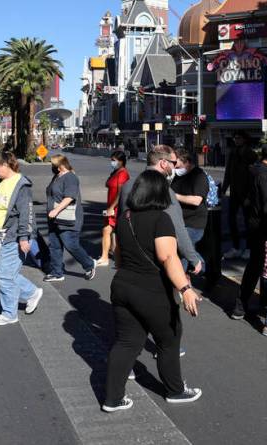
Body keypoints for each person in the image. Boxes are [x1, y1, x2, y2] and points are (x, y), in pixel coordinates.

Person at [102, 170, 202, 412]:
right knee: (169, 340)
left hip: (123, 285)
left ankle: (113, 399)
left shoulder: (125, 216)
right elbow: (168, 257)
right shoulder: (161, 219)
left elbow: (119, 255)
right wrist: (185, 288)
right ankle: (175, 390)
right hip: (152, 289)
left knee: (127, 342)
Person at [118, 145, 201, 278]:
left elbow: (121, 221)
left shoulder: (128, 185)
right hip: (154, 261)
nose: (175, 167)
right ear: (163, 163)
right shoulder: (165, 190)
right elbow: (177, 228)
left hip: (129, 259)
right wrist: (193, 258)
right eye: (173, 163)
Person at [0, 151, 42, 326]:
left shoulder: (21, 185)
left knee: (4, 276)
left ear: (5, 165)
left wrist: (24, 237)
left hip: (14, 236)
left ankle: (9, 314)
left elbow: (26, 213)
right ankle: (31, 292)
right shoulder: (2, 183)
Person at [231, 143, 267, 320]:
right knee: (265, 265)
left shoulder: (253, 170)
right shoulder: (265, 175)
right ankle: (252, 303)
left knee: (257, 264)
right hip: (265, 226)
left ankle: (246, 303)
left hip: (253, 222)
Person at [44, 155, 96, 282]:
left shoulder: (70, 177)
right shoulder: (57, 176)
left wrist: (56, 210)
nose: (51, 167)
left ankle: (89, 264)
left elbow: (70, 196)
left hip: (68, 218)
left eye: (53, 165)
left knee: (70, 244)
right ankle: (57, 273)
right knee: (55, 245)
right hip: (54, 218)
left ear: (60, 165)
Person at [170, 149, 209, 274]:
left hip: (193, 223)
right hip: (179, 221)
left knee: (183, 249)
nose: (174, 166)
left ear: (186, 162)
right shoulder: (177, 176)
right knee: (183, 249)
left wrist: (174, 196)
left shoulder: (199, 176)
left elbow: (197, 200)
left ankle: (182, 282)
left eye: (176, 163)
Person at [220, 132, 258, 258]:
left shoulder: (251, 154)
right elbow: (228, 173)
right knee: (231, 220)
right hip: (235, 193)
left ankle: (248, 248)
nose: (236, 140)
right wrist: (223, 189)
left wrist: (249, 196)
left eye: (239, 137)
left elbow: (253, 178)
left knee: (248, 222)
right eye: (235, 138)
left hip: (247, 193)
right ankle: (235, 247)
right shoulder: (232, 153)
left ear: (245, 139)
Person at [97, 150, 130, 268]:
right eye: (111, 160)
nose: (112, 162)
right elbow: (107, 184)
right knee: (113, 233)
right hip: (111, 206)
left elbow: (121, 192)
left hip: (116, 207)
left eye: (114, 160)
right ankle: (117, 259)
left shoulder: (123, 174)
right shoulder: (116, 172)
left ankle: (105, 257)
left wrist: (112, 207)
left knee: (107, 231)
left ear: (121, 161)